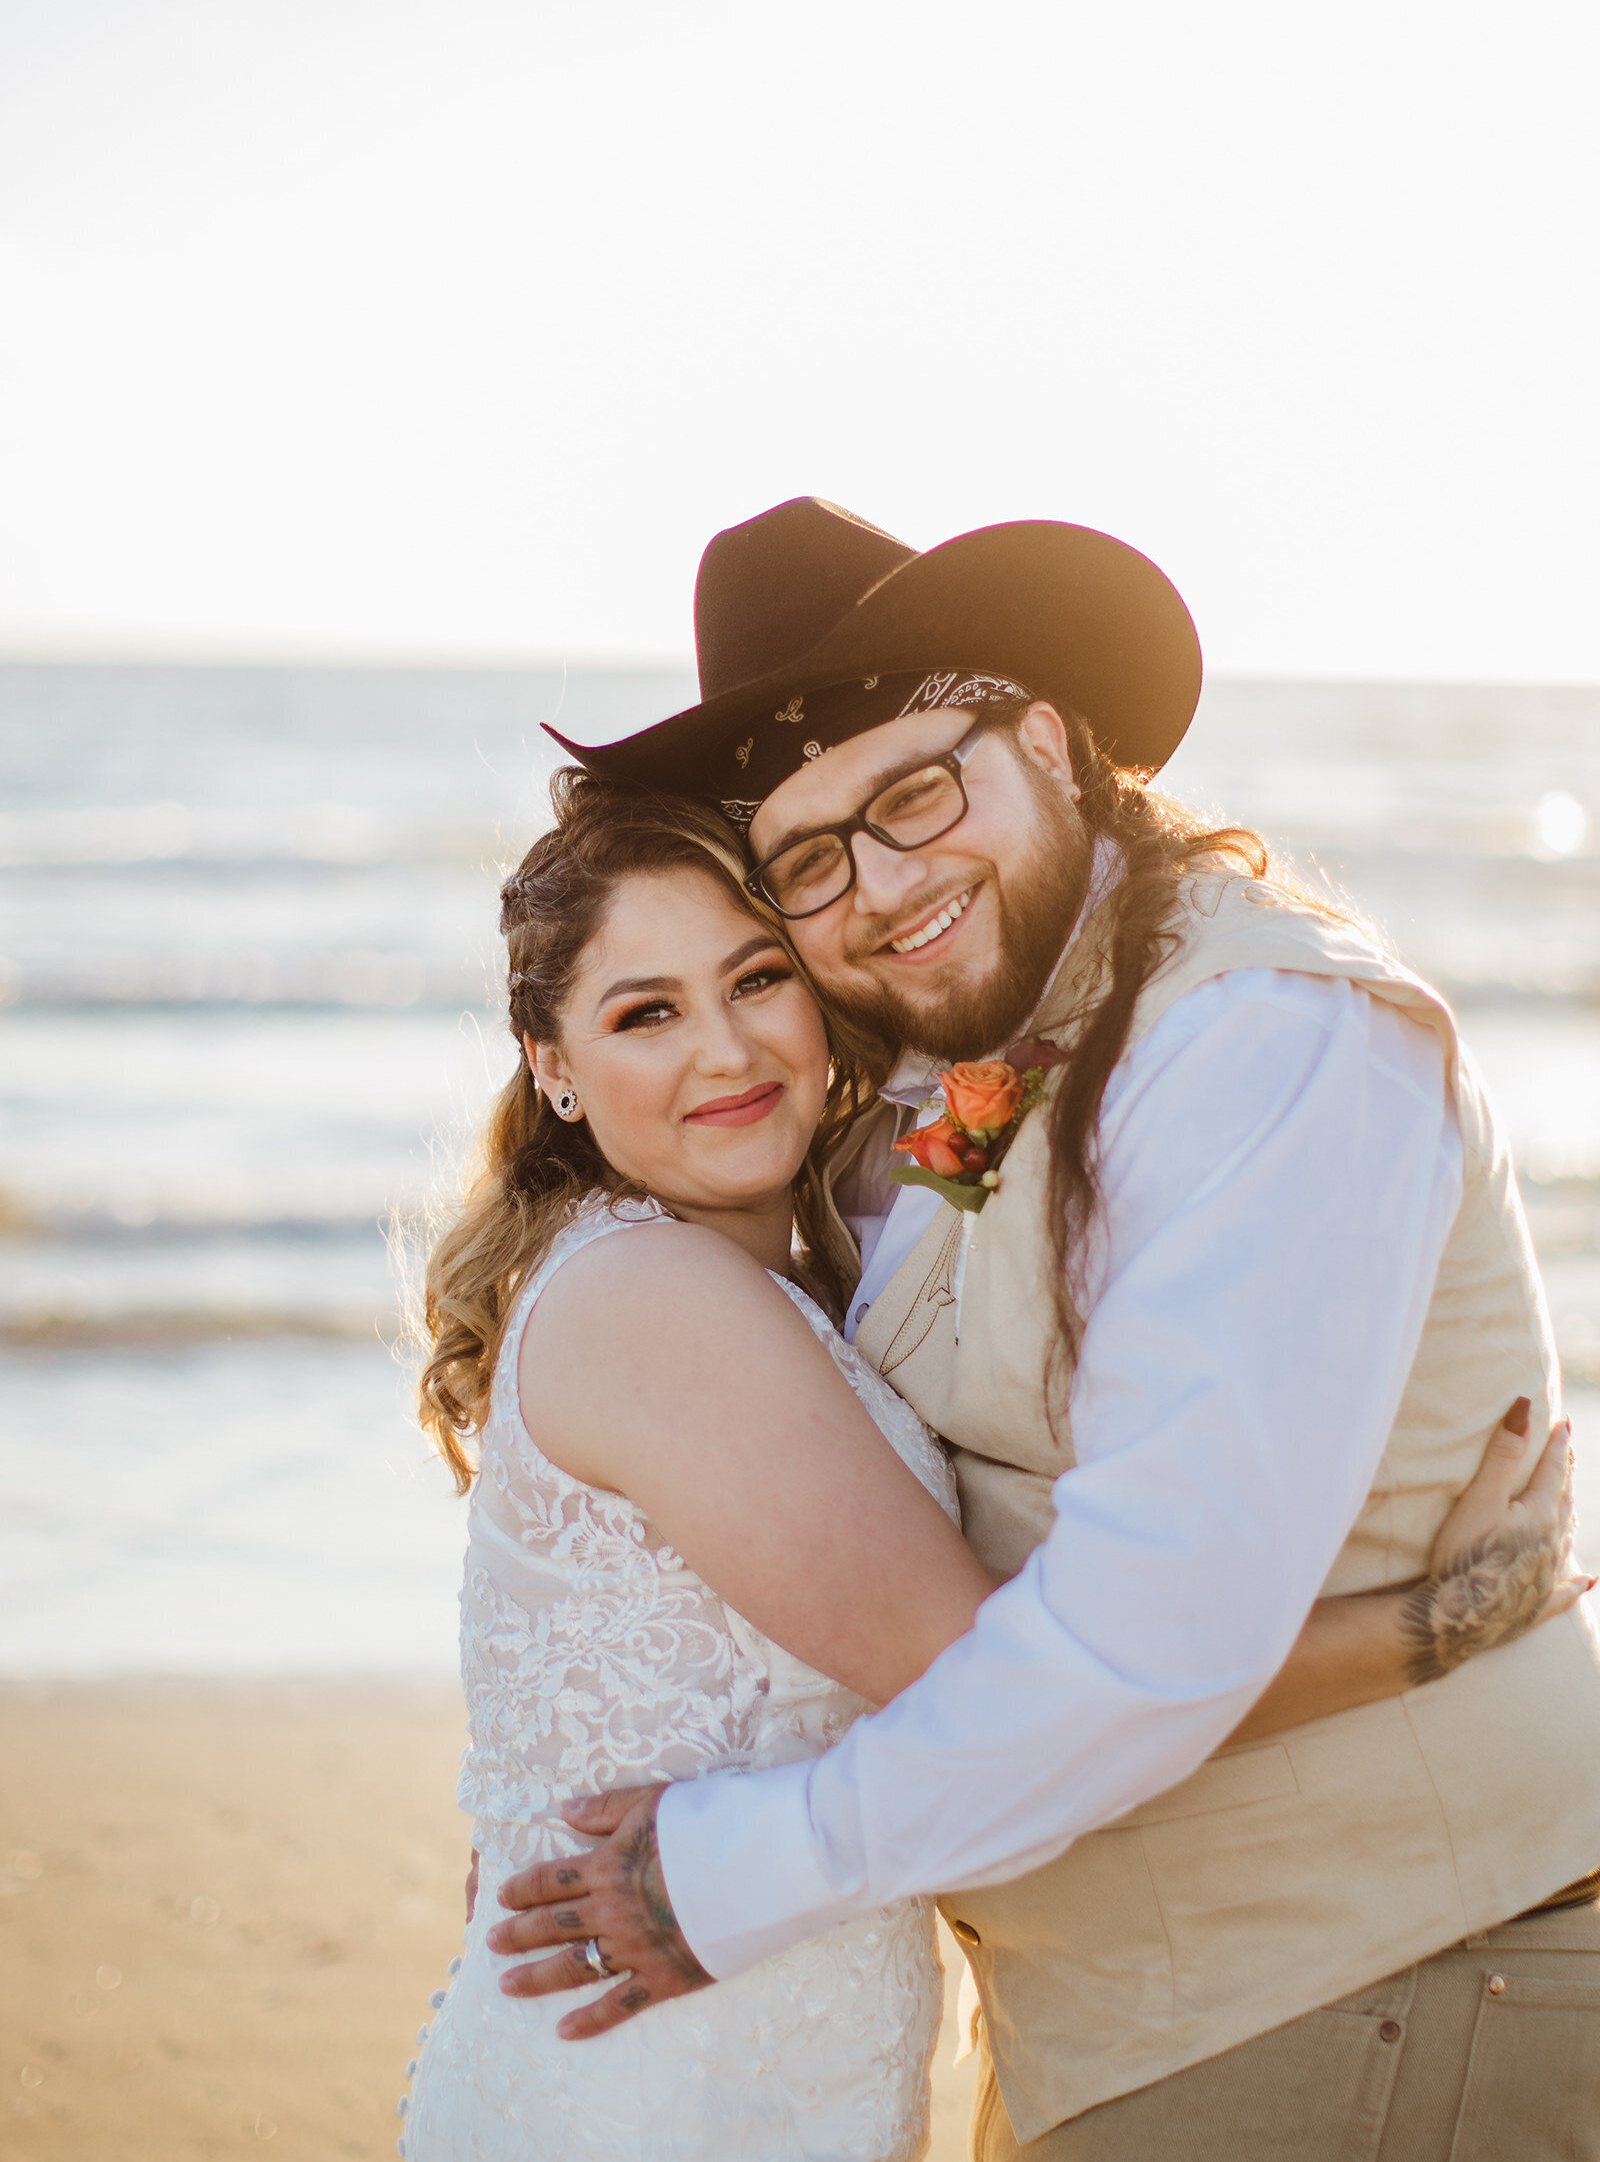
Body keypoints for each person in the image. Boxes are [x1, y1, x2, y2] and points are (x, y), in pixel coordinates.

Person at [491, 497, 1600, 2161]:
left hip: (1387, 1983)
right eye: (809, 859)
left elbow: (1147, 1639)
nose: (880, 887)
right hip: (1172, 2022)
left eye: (915, 793)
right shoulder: (934, 1091)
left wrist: (737, 1872)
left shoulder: (1259, 1048)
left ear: (1053, 738)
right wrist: (1412, 1627)